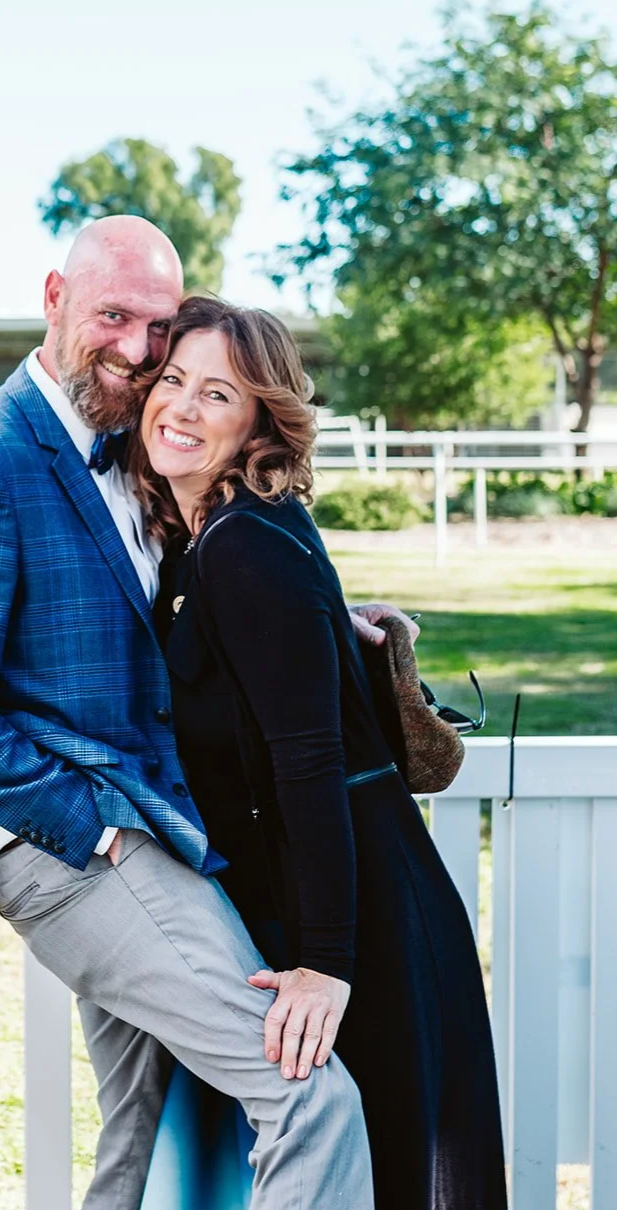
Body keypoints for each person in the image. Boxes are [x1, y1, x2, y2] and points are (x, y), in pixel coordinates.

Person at [0, 217, 380, 1210]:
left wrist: (329, 622)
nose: (140, 351)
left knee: (139, 1134)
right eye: (114, 316)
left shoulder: (129, 447)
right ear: (54, 298)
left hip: (160, 832)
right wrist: (93, 826)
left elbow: (186, 623)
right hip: (88, 848)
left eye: (158, 326)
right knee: (308, 1096)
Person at [132, 294, 509, 1210]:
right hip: (332, 902)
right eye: (172, 380)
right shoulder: (216, 537)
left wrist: (326, 962)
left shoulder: (242, 547)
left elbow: (308, 764)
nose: (181, 408)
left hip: (363, 921)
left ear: (260, 418)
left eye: (217, 395)